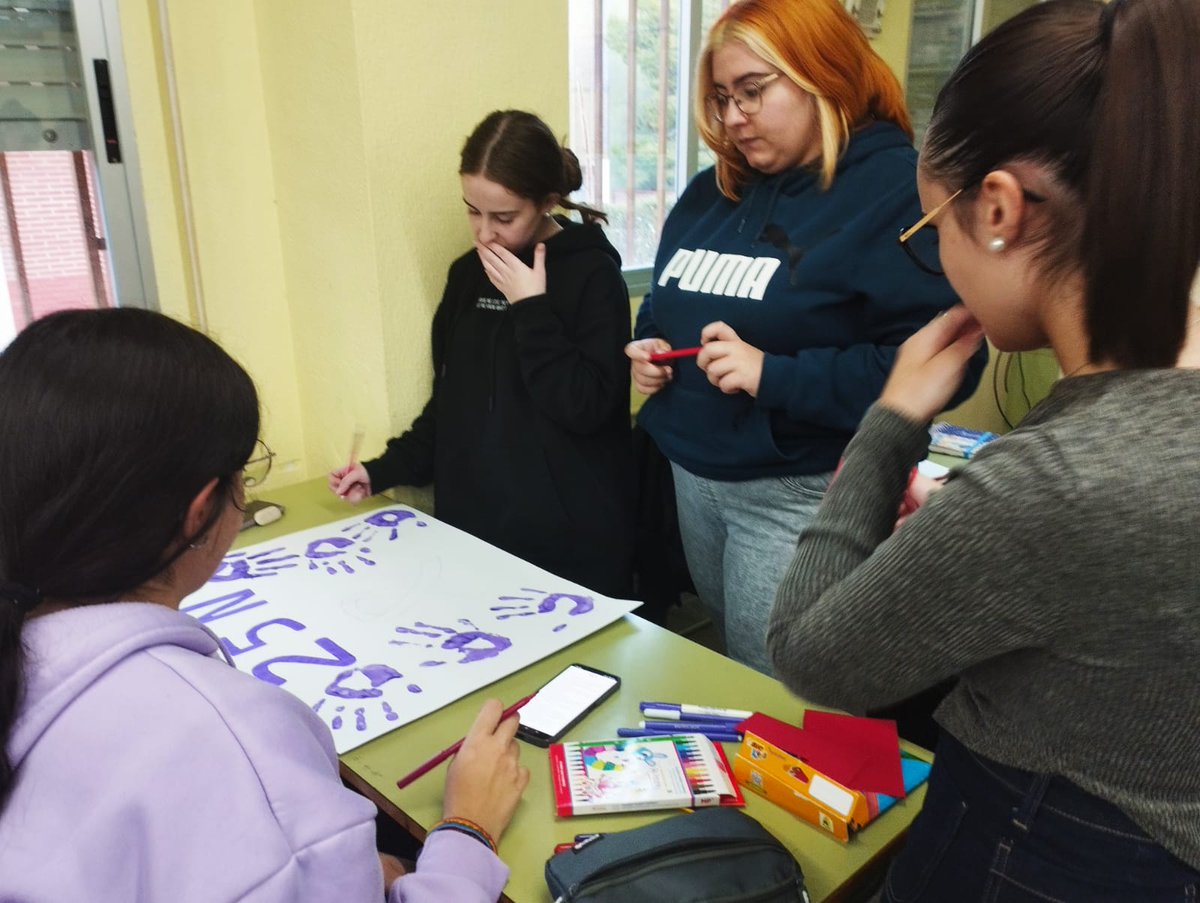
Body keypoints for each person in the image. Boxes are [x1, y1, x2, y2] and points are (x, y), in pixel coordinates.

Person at [768, 0, 1200, 897]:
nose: (942, 259)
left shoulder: (1055, 482)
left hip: (1035, 853)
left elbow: (809, 654)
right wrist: (976, 544)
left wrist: (892, 419)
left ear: (998, 208)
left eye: (932, 230)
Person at [0, 309, 530, 902]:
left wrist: (337, 861)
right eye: (245, 473)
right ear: (200, 512)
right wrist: (468, 829)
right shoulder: (233, 741)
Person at [625, 0, 982, 673]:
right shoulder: (711, 192)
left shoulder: (895, 191)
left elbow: (946, 361)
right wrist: (650, 350)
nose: (733, 116)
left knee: (790, 688)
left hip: (800, 488)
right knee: (739, 669)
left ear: (823, 74)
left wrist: (774, 375)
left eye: (752, 91)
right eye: (721, 97)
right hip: (694, 475)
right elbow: (667, 306)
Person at [331, 110, 633, 598]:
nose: (484, 233)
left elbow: (588, 408)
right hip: (474, 539)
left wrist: (530, 308)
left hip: (567, 550)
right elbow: (451, 406)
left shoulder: (593, 276)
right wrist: (382, 470)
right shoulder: (466, 275)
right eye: (473, 211)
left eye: (504, 218)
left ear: (546, 203)